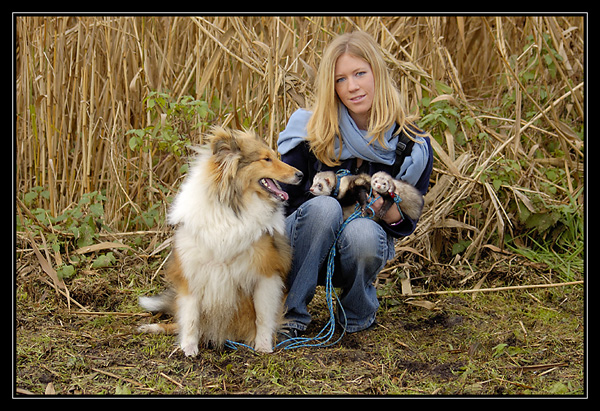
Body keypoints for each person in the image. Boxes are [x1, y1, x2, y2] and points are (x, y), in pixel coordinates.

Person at [276, 31, 433, 343]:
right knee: (323, 207)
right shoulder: (309, 131)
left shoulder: (411, 145)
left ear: (377, 73)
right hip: (300, 246)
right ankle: (289, 315)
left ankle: (356, 315)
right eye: (340, 79)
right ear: (330, 87)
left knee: (363, 231)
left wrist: (387, 210)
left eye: (360, 73)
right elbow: (283, 206)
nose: (352, 87)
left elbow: (406, 224)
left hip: (356, 247)